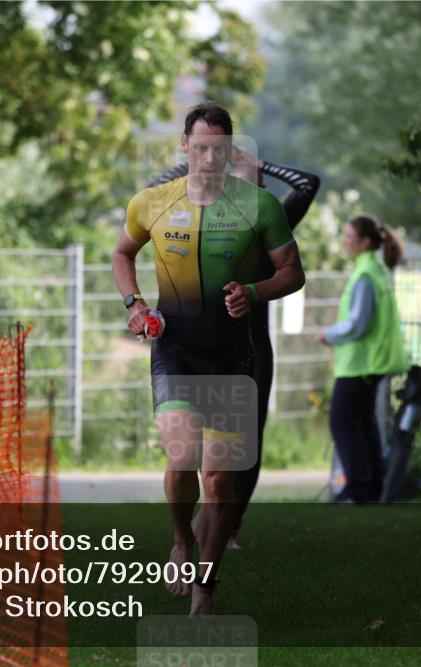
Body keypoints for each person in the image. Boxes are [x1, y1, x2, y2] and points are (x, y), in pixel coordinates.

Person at [113, 102, 305, 614]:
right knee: (182, 458)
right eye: (200, 148)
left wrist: (254, 292)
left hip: (231, 353)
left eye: (219, 150)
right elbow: (122, 253)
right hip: (175, 348)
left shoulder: (259, 206)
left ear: (230, 150)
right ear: (185, 146)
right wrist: (134, 304)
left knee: (219, 481)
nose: (209, 158)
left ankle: (205, 586)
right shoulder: (152, 202)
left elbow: (292, 272)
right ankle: (181, 541)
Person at [148, 151, 320, 544]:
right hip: (200, 346)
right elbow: (152, 193)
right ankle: (195, 528)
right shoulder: (207, 220)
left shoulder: (269, 219)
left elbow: (307, 183)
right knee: (195, 443)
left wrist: (261, 161)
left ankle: (228, 525)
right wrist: (194, 162)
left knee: (246, 442)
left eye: (249, 181)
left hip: (252, 347)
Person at [317, 214, 406, 503]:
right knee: (364, 423)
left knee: (342, 422)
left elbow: (358, 323)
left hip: (360, 363)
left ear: (365, 242)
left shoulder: (366, 274)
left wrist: (329, 334)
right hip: (370, 362)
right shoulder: (377, 270)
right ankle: (371, 487)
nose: (345, 242)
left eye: (349, 237)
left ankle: (356, 489)